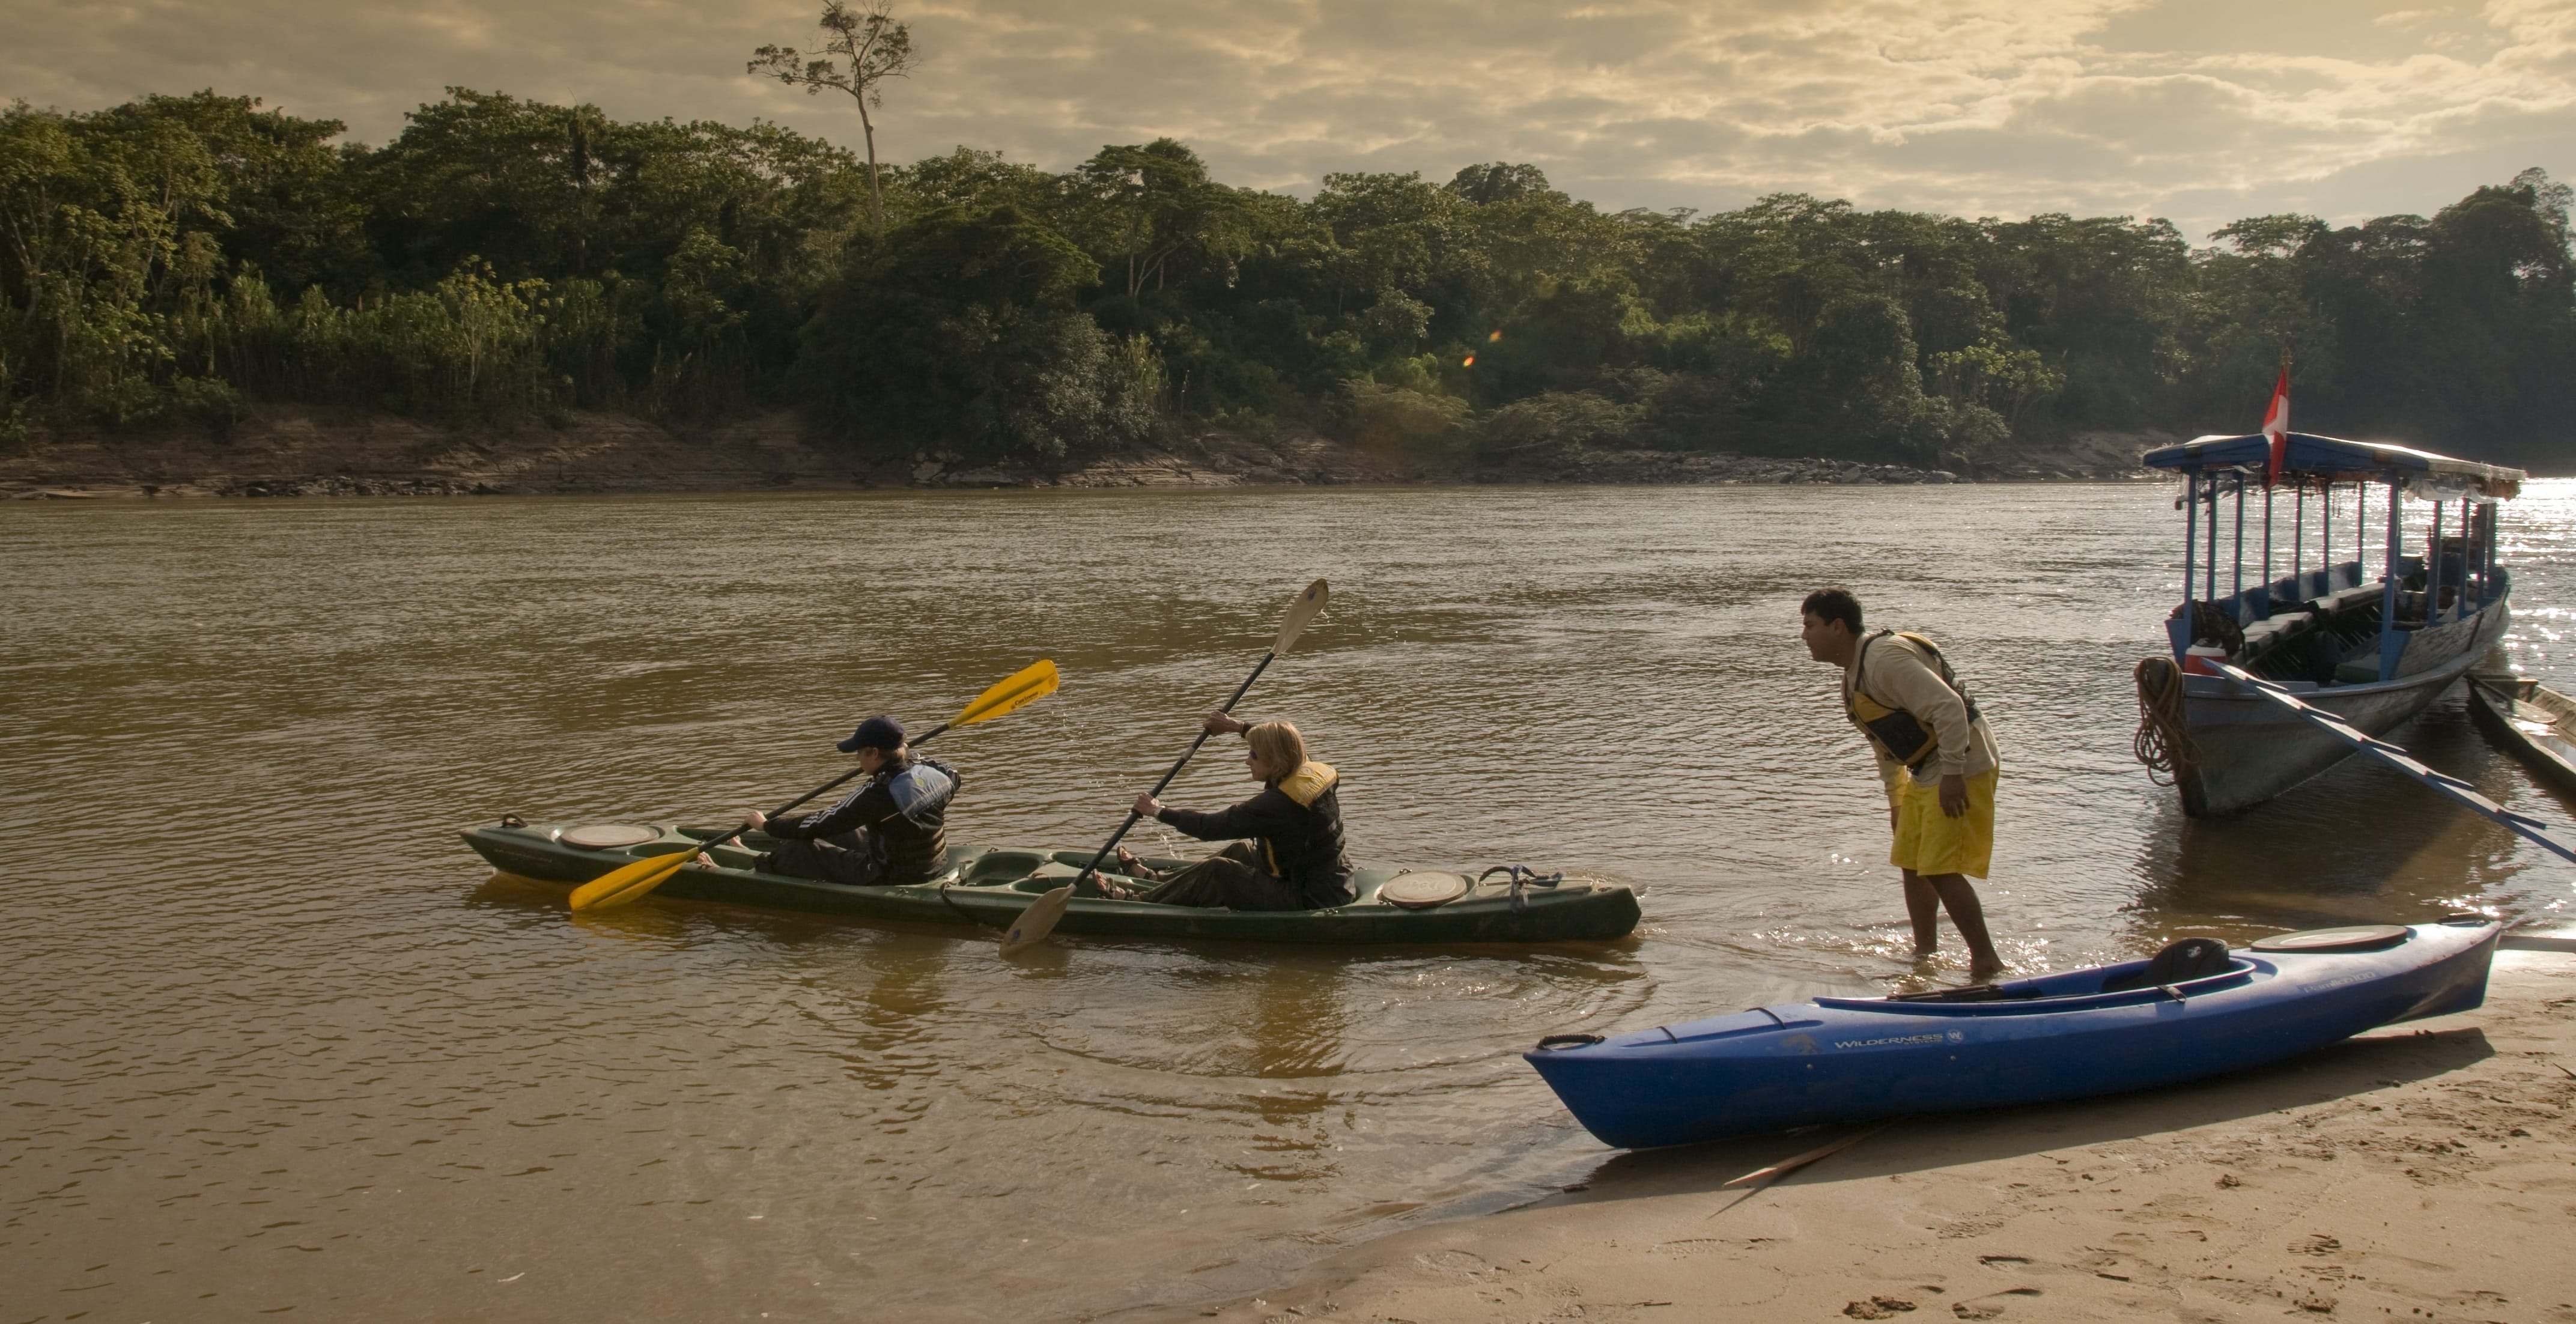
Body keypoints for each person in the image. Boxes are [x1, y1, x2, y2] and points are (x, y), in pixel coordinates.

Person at [1799, 588, 2006, 980]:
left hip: (1962, 760)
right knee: (1911, 862)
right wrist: (1896, 802)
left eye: (1810, 625)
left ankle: (1986, 960)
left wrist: (1953, 775)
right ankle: (1925, 953)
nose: (1804, 636)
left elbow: (1950, 708)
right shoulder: (1851, 678)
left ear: (1838, 627)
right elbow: (1885, 747)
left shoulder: (1884, 658)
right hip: (1929, 769)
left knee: (1941, 867)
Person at [1104, 713, 1355, 911]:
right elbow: (1284, 742)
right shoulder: (1311, 769)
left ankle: (1139, 900)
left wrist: (1158, 811)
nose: (1248, 760)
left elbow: (1210, 827)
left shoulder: (1275, 806)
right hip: (1328, 880)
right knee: (1241, 851)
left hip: (1309, 898)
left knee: (1219, 870)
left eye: (1254, 755)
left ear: (1275, 761)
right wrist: (1237, 727)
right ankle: (1159, 880)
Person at [717, 715, 960, 887]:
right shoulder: (938, 775)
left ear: (874, 753)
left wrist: (767, 826)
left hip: (889, 875)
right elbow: (953, 776)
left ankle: (748, 860)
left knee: (799, 850)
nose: (857, 759)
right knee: (844, 834)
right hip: (932, 863)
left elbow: (821, 822)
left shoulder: (876, 794)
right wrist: (910, 757)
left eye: (859, 753)